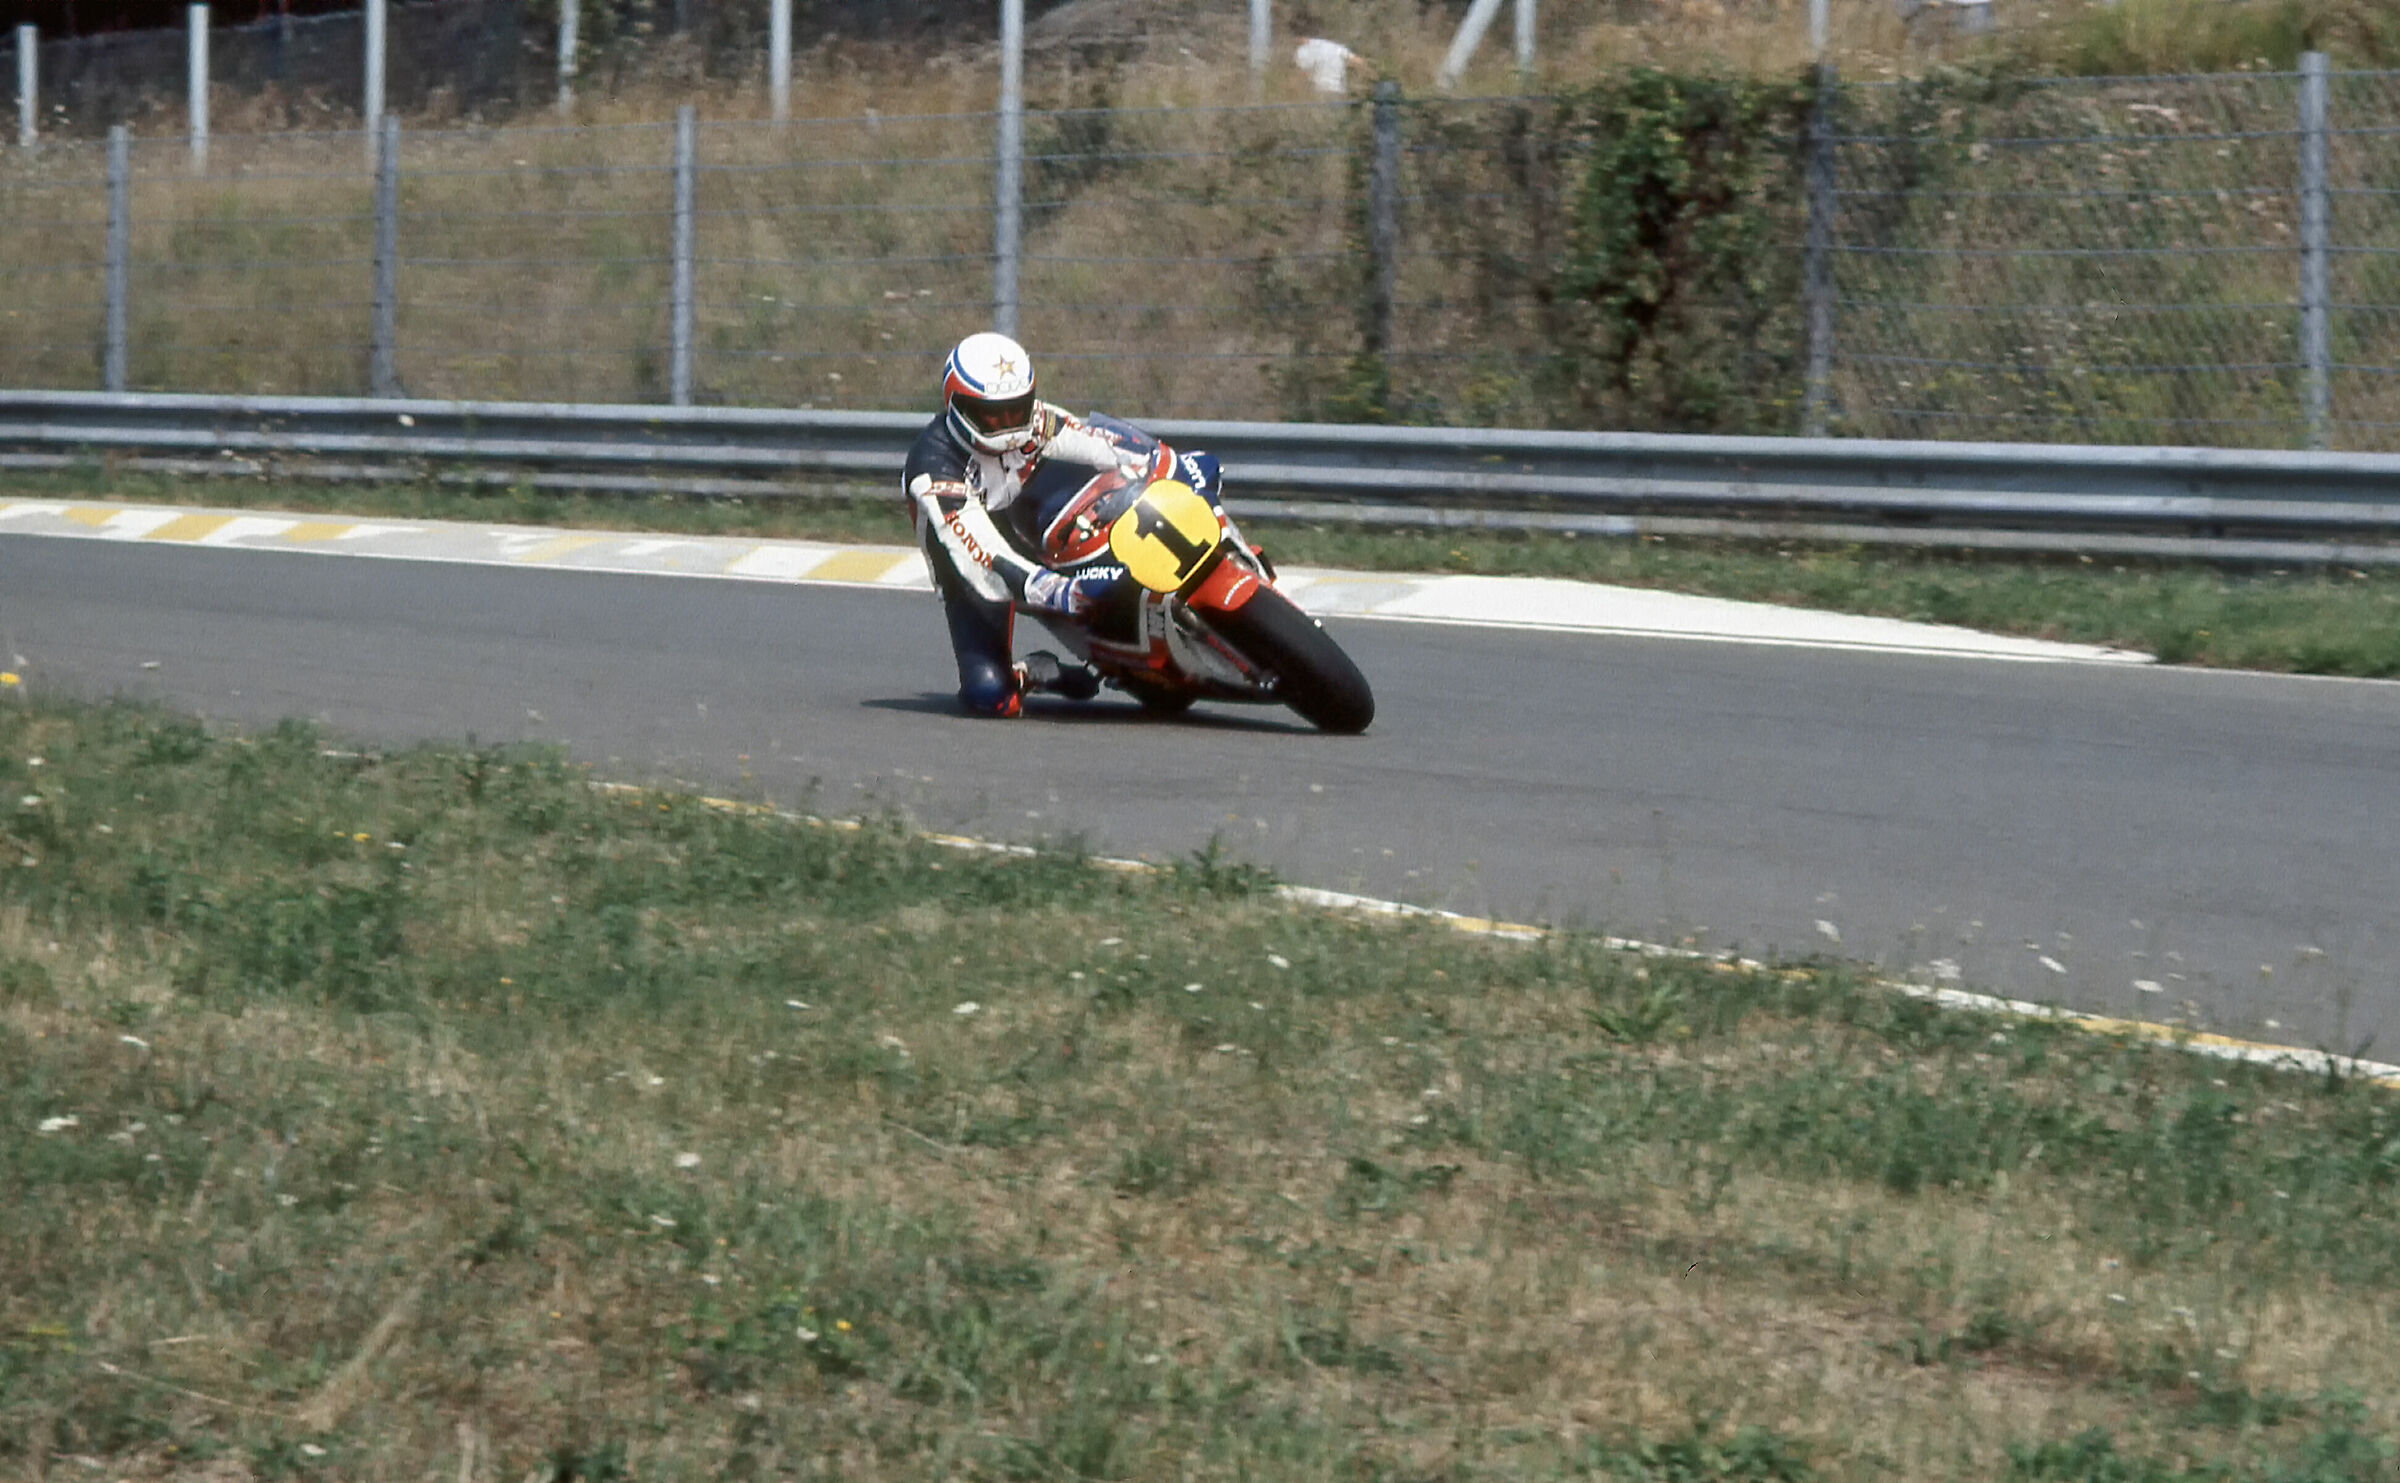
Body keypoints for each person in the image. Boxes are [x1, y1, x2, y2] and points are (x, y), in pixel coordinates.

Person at [902, 331, 1166, 718]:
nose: (1009, 426)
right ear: (957, 406)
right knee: (991, 698)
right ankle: (1034, 672)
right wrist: (1055, 590)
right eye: (993, 415)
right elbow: (983, 551)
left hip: (1026, 518)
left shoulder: (1034, 421)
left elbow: (1095, 441)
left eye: (1017, 410)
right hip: (969, 566)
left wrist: (1159, 463)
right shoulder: (933, 470)